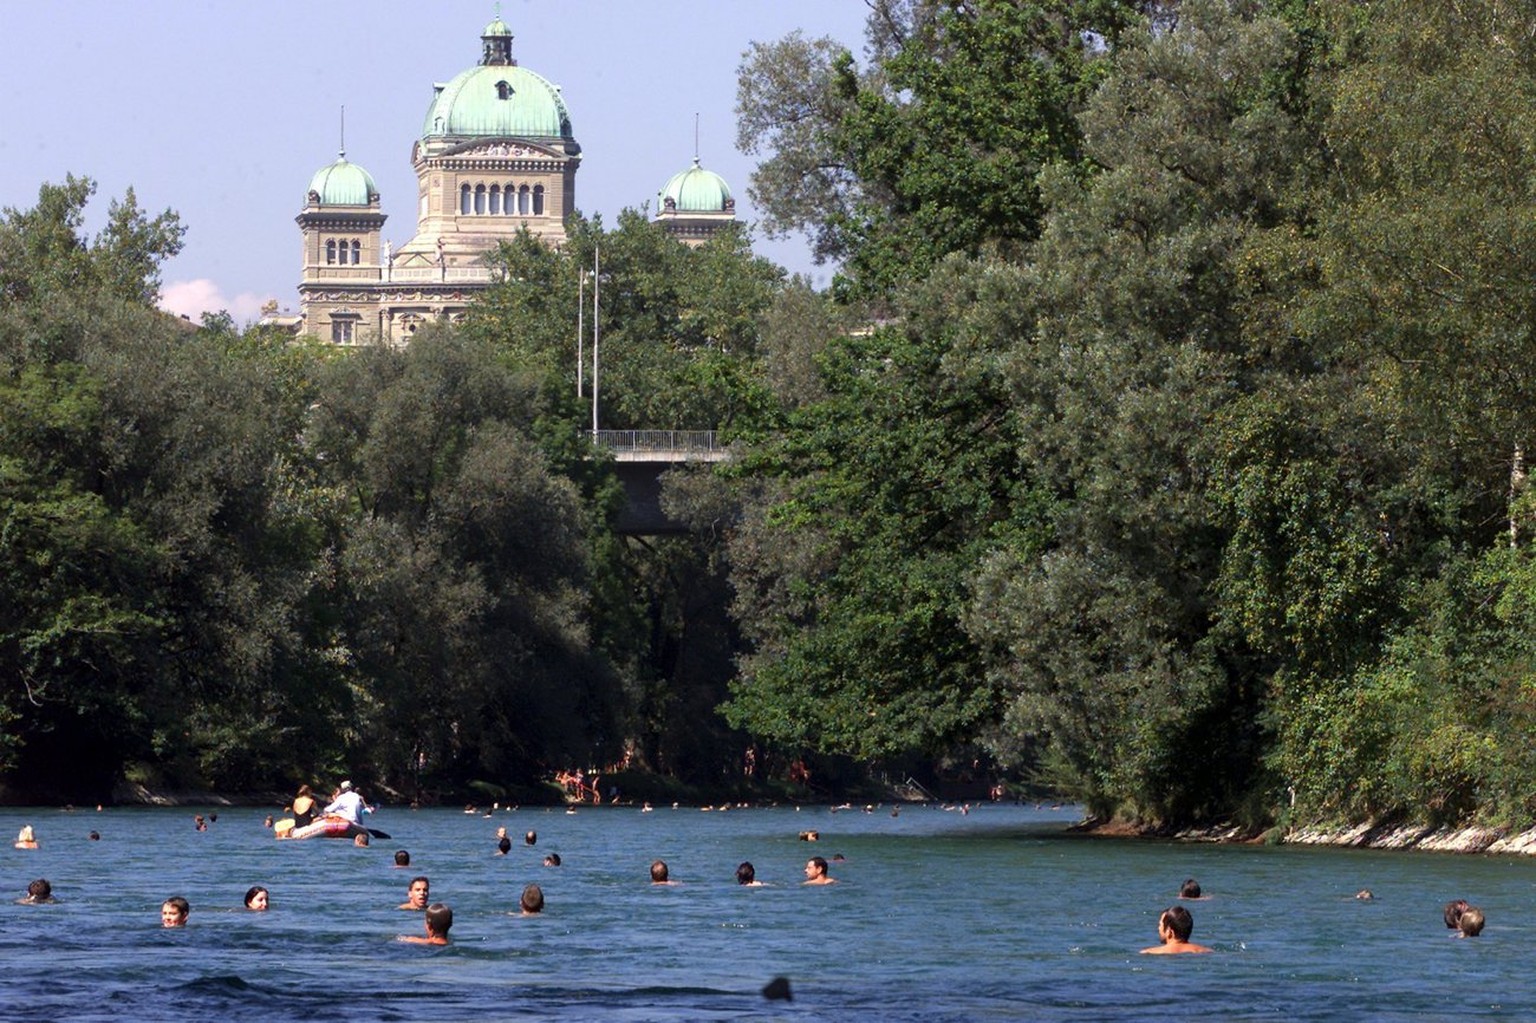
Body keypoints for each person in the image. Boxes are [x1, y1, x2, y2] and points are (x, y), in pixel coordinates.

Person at [1140, 906, 1212, 955]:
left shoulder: (1149, 953)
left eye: (1160, 925)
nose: (1158, 928)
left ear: (1169, 932)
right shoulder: (1206, 952)